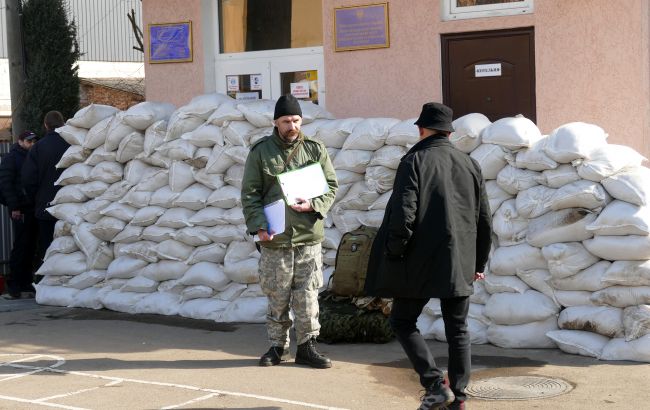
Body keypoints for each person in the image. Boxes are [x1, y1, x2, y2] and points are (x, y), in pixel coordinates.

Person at [364, 102, 492, 410]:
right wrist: (478, 262)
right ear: (449, 132)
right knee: (458, 329)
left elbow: (403, 213)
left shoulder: (415, 161)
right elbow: (483, 218)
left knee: (402, 320)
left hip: (418, 261)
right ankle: (459, 398)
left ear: (422, 130)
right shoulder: (470, 163)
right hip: (459, 260)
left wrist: (394, 252)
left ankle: (435, 383)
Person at [241, 94, 338, 369]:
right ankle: (277, 346)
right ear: (275, 122)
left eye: (296, 120)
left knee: (308, 293)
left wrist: (314, 204)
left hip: (308, 237)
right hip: (276, 238)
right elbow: (250, 193)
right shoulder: (261, 152)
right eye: (286, 121)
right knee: (277, 293)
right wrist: (258, 225)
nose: (292, 125)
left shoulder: (315, 149)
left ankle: (308, 346)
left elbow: (331, 185)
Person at [21, 111, 70, 272]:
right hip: (71, 206)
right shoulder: (72, 144)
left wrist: (36, 197)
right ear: (63, 123)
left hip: (45, 205)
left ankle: (46, 285)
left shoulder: (39, 147)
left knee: (47, 246)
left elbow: (28, 179)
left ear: (46, 125)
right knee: (70, 248)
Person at [0, 131, 39, 299]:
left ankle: (25, 282)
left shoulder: (31, 156)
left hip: (31, 207)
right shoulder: (12, 158)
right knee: (21, 246)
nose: (32, 144)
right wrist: (14, 206)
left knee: (30, 245)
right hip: (20, 209)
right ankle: (14, 283)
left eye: (33, 141)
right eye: (29, 141)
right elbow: (6, 183)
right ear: (20, 141)